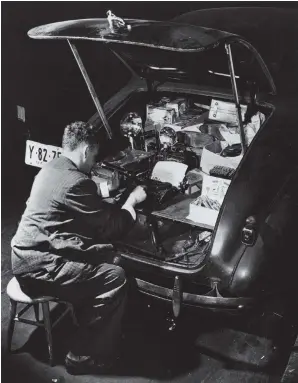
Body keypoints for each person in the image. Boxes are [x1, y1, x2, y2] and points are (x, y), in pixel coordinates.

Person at [11, 121, 147, 375]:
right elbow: (112, 226)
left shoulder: (52, 167)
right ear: (86, 151)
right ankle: (84, 355)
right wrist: (131, 201)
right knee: (114, 276)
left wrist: (108, 189)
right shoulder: (76, 181)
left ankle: (98, 324)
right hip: (39, 270)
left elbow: (76, 193)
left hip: (23, 257)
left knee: (100, 257)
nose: (95, 163)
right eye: (94, 156)